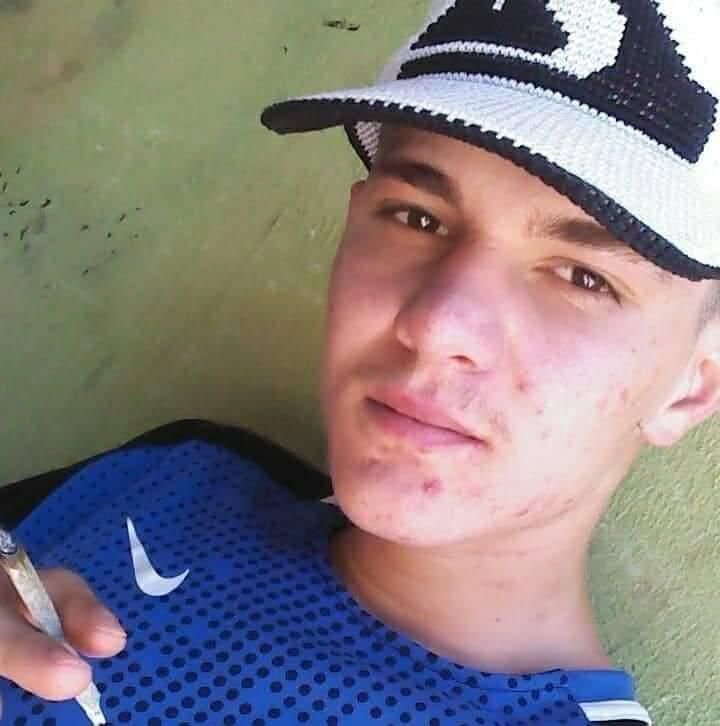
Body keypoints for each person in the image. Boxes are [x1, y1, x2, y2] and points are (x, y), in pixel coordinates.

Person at [1, 1, 719, 723]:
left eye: (582, 277)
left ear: (694, 385)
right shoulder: (179, 477)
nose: (435, 325)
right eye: (417, 217)